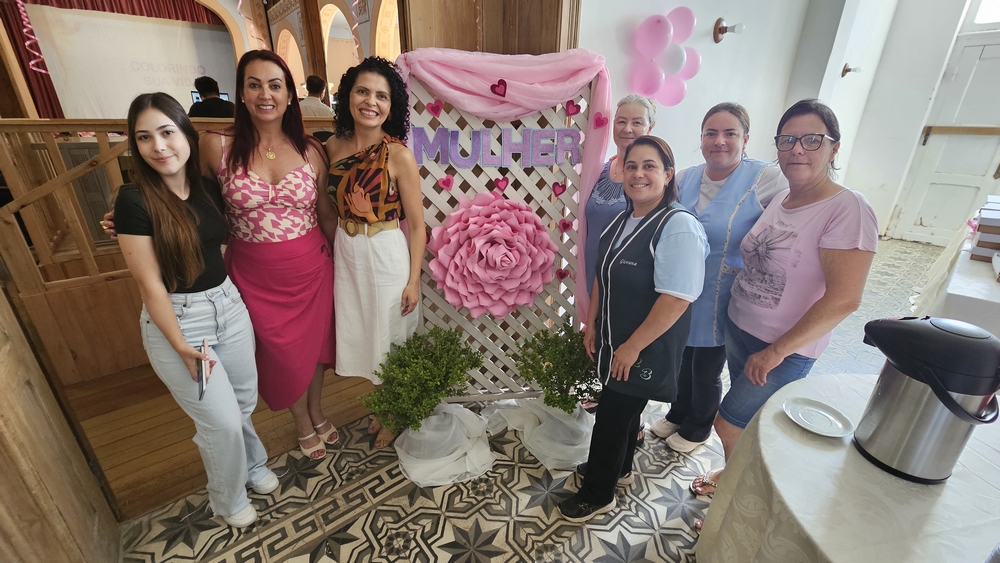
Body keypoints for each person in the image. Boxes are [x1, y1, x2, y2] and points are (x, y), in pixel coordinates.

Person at [690, 100, 878, 527]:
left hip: (782, 349)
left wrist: (777, 351)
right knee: (753, 425)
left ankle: (735, 515)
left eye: (812, 140)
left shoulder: (848, 208)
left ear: (834, 147)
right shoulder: (782, 199)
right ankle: (737, 480)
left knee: (729, 424)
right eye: (788, 140)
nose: (797, 149)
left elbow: (845, 298)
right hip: (741, 329)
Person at [114, 92, 276, 528]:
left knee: (242, 403)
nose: (158, 146)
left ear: (186, 134)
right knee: (220, 420)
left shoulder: (206, 188)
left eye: (167, 132)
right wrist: (180, 345)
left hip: (229, 306)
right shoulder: (133, 200)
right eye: (144, 137)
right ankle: (228, 498)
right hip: (182, 322)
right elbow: (150, 285)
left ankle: (253, 464)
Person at [199, 50, 340, 461]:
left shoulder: (311, 149)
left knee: (315, 350)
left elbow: (325, 214)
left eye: (275, 85)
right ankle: (301, 422)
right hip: (253, 275)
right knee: (279, 354)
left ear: (289, 95)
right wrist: (134, 214)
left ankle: (316, 411)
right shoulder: (215, 145)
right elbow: (184, 198)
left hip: (313, 268)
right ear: (241, 93)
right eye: (254, 84)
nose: (265, 94)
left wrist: (348, 264)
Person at [560, 136, 709, 523]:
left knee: (612, 415)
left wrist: (632, 347)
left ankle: (597, 494)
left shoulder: (678, 227)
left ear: (668, 175)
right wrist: (591, 324)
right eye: (631, 166)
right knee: (624, 410)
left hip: (645, 346)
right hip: (615, 338)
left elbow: (676, 298)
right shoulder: (622, 220)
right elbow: (602, 275)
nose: (638, 174)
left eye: (649, 166)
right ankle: (620, 468)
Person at [649, 103, 787, 452]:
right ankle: (678, 412)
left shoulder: (767, 179)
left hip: (724, 291)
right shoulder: (685, 178)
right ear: (701, 139)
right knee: (681, 356)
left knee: (706, 367)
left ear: (746, 140)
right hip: (681, 287)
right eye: (711, 133)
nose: (719, 141)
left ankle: (698, 427)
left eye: (730, 133)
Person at [325, 57, 424, 449]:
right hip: (347, 251)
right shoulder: (332, 146)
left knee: (389, 336)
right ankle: (386, 406)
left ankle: (394, 413)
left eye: (381, 96)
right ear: (348, 96)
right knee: (366, 334)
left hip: (385, 253)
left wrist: (413, 280)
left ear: (391, 105)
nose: (371, 102)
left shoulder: (398, 155)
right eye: (363, 91)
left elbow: (418, 226)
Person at [579, 94, 656, 443]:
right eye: (621, 121)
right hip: (593, 272)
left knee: (626, 347)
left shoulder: (646, 177)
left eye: (636, 122)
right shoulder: (601, 168)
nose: (627, 128)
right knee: (600, 339)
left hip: (625, 278)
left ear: (650, 127)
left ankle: (631, 424)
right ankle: (606, 397)